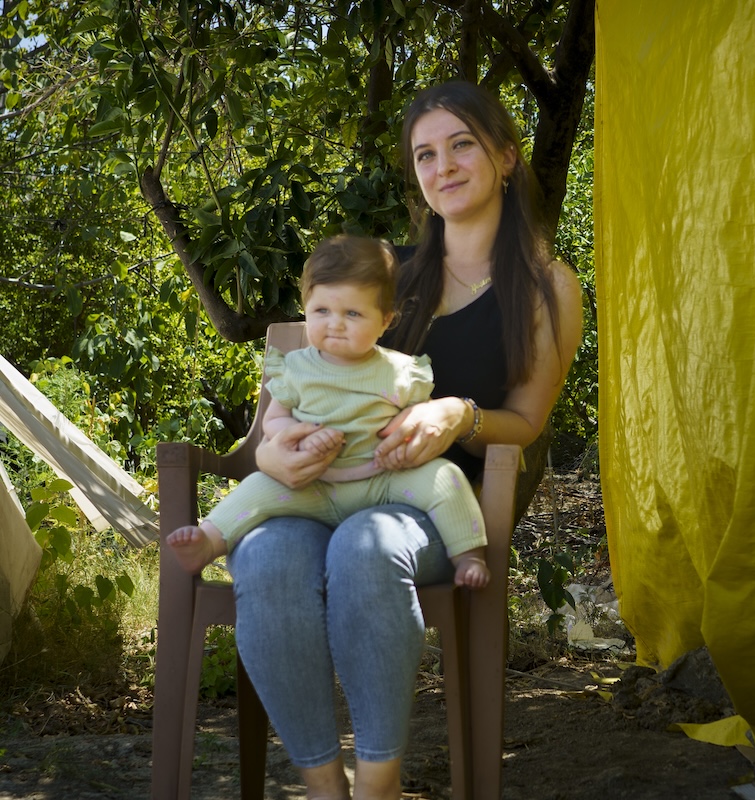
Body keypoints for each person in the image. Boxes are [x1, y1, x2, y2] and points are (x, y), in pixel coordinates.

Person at [225, 80, 583, 800]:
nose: (442, 166)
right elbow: (281, 406)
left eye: (461, 145)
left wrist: (459, 415)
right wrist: (273, 454)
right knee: (261, 554)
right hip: (322, 487)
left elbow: (526, 418)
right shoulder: (384, 273)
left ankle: (378, 783)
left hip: (429, 504)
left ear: (506, 157)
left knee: (368, 546)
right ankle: (327, 786)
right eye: (425, 154)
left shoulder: (548, 286)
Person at [167, 235, 490, 588]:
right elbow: (274, 420)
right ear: (306, 307)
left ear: (386, 320)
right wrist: (297, 434)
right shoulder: (296, 369)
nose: (335, 323)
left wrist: (405, 445)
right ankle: (209, 541)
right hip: (313, 483)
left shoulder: (399, 371)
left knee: (446, 478)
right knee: (257, 487)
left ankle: (468, 554)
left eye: (352, 313)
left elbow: (419, 420)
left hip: (384, 479)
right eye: (322, 311)